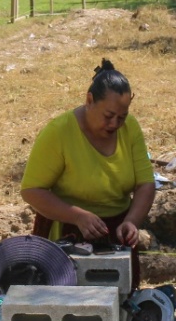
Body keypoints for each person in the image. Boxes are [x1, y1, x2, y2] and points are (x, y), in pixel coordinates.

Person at [21, 58, 155, 288]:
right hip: (66, 234)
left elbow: (146, 184)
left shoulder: (130, 128)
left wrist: (132, 222)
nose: (115, 123)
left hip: (117, 236)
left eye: (121, 117)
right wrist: (77, 216)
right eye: (108, 115)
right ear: (89, 100)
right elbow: (32, 191)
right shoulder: (59, 132)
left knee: (119, 309)